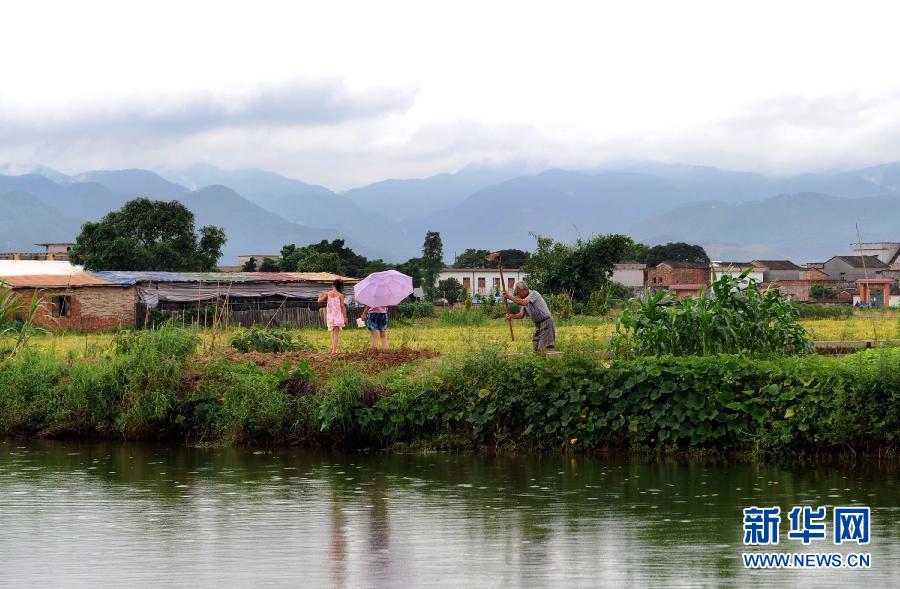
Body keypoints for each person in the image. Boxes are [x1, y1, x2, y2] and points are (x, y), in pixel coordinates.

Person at [502, 280, 556, 353]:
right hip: (538, 325)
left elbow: (524, 302)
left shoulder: (534, 294)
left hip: (546, 322)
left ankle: (550, 361)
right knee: (536, 347)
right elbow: (521, 315)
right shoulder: (524, 300)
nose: (518, 295)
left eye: (518, 292)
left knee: (544, 347)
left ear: (523, 290)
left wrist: (508, 297)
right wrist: (511, 316)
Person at [318, 279, 347, 355]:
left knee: (332, 332)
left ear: (333, 285)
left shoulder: (328, 294)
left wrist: (319, 296)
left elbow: (319, 301)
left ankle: (332, 348)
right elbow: (342, 307)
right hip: (338, 315)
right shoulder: (341, 295)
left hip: (330, 315)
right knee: (336, 333)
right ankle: (334, 350)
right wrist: (345, 317)